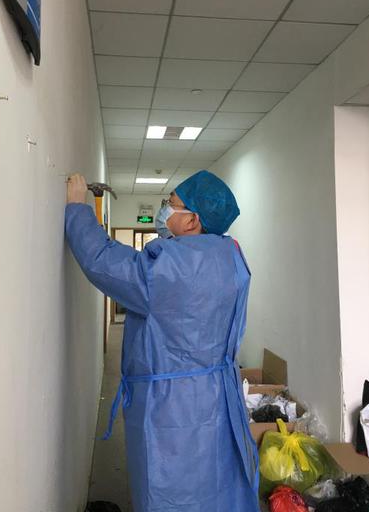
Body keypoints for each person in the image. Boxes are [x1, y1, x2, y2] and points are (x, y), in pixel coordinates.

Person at [65, 170, 260, 512]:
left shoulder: (174, 266)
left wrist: (78, 208)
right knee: (217, 481)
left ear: (193, 220)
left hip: (172, 406)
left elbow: (106, 262)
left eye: (171, 203)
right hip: (218, 396)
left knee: (170, 488)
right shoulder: (230, 255)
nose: (164, 209)